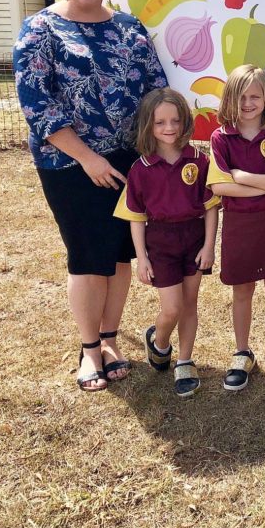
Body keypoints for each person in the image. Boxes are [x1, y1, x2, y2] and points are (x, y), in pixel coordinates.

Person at [14, 0, 167, 391]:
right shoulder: (40, 29)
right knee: (87, 255)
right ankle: (88, 350)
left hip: (129, 159)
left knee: (120, 253)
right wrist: (88, 158)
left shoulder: (129, 28)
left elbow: (156, 88)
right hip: (69, 164)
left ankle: (110, 339)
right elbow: (37, 103)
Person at [113, 88, 219, 397]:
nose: (169, 128)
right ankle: (159, 342)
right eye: (160, 122)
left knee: (190, 303)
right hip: (160, 242)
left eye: (175, 120)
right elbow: (136, 216)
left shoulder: (199, 161)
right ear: (148, 125)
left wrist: (209, 246)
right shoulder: (140, 169)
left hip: (194, 238)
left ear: (185, 121)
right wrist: (142, 257)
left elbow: (211, 208)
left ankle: (184, 361)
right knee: (172, 308)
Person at [206, 64, 265, 391]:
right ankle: (242, 352)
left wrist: (243, 177)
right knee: (242, 290)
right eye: (241, 97)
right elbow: (219, 187)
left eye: (255, 97)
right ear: (230, 99)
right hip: (238, 224)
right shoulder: (220, 138)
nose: (247, 104)